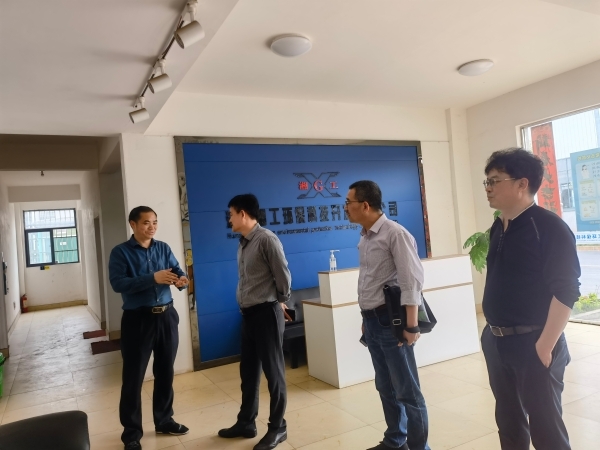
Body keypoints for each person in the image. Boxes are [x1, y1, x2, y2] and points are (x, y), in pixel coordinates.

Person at [481, 148, 581, 450]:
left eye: (495, 181)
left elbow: (566, 291)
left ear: (522, 184)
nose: (488, 188)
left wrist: (545, 345)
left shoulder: (549, 227)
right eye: (486, 181)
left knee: (546, 430)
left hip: (534, 342)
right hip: (497, 341)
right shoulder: (499, 225)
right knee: (509, 422)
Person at [345, 180, 429, 450]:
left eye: (348, 202)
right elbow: (370, 281)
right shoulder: (365, 236)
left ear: (365, 205)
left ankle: (419, 446)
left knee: (407, 390)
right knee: (385, 386)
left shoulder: (395, 233)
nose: (345, 208)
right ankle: (395, 440)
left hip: (391, 322)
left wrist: (412, 326)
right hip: (372, 321)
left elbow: (411, 281)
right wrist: (365, 318)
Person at [109, 206, 190, 450]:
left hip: (166, 317)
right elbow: (118, 284)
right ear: (133, 224)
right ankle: (132, 433)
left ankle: (164, 420)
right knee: (133, 378)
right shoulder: (121, 252)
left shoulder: (163, 248)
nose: (152, 227)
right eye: (146, 223)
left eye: (154, 222)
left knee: (165, 372)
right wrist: (152, 278)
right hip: (138, 320)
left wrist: (182, 280)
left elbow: (178, 271)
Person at [218, 194, 292, 450]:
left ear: (243, 214)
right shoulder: (243, 243)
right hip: (248, 316)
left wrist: (281, 300)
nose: (229, 219)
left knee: (274, 374)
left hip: (266, 314)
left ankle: (278, 428)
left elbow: (283, 275)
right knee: (248, 373)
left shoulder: (266, 239)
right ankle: (246, 422)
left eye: (231, 214)